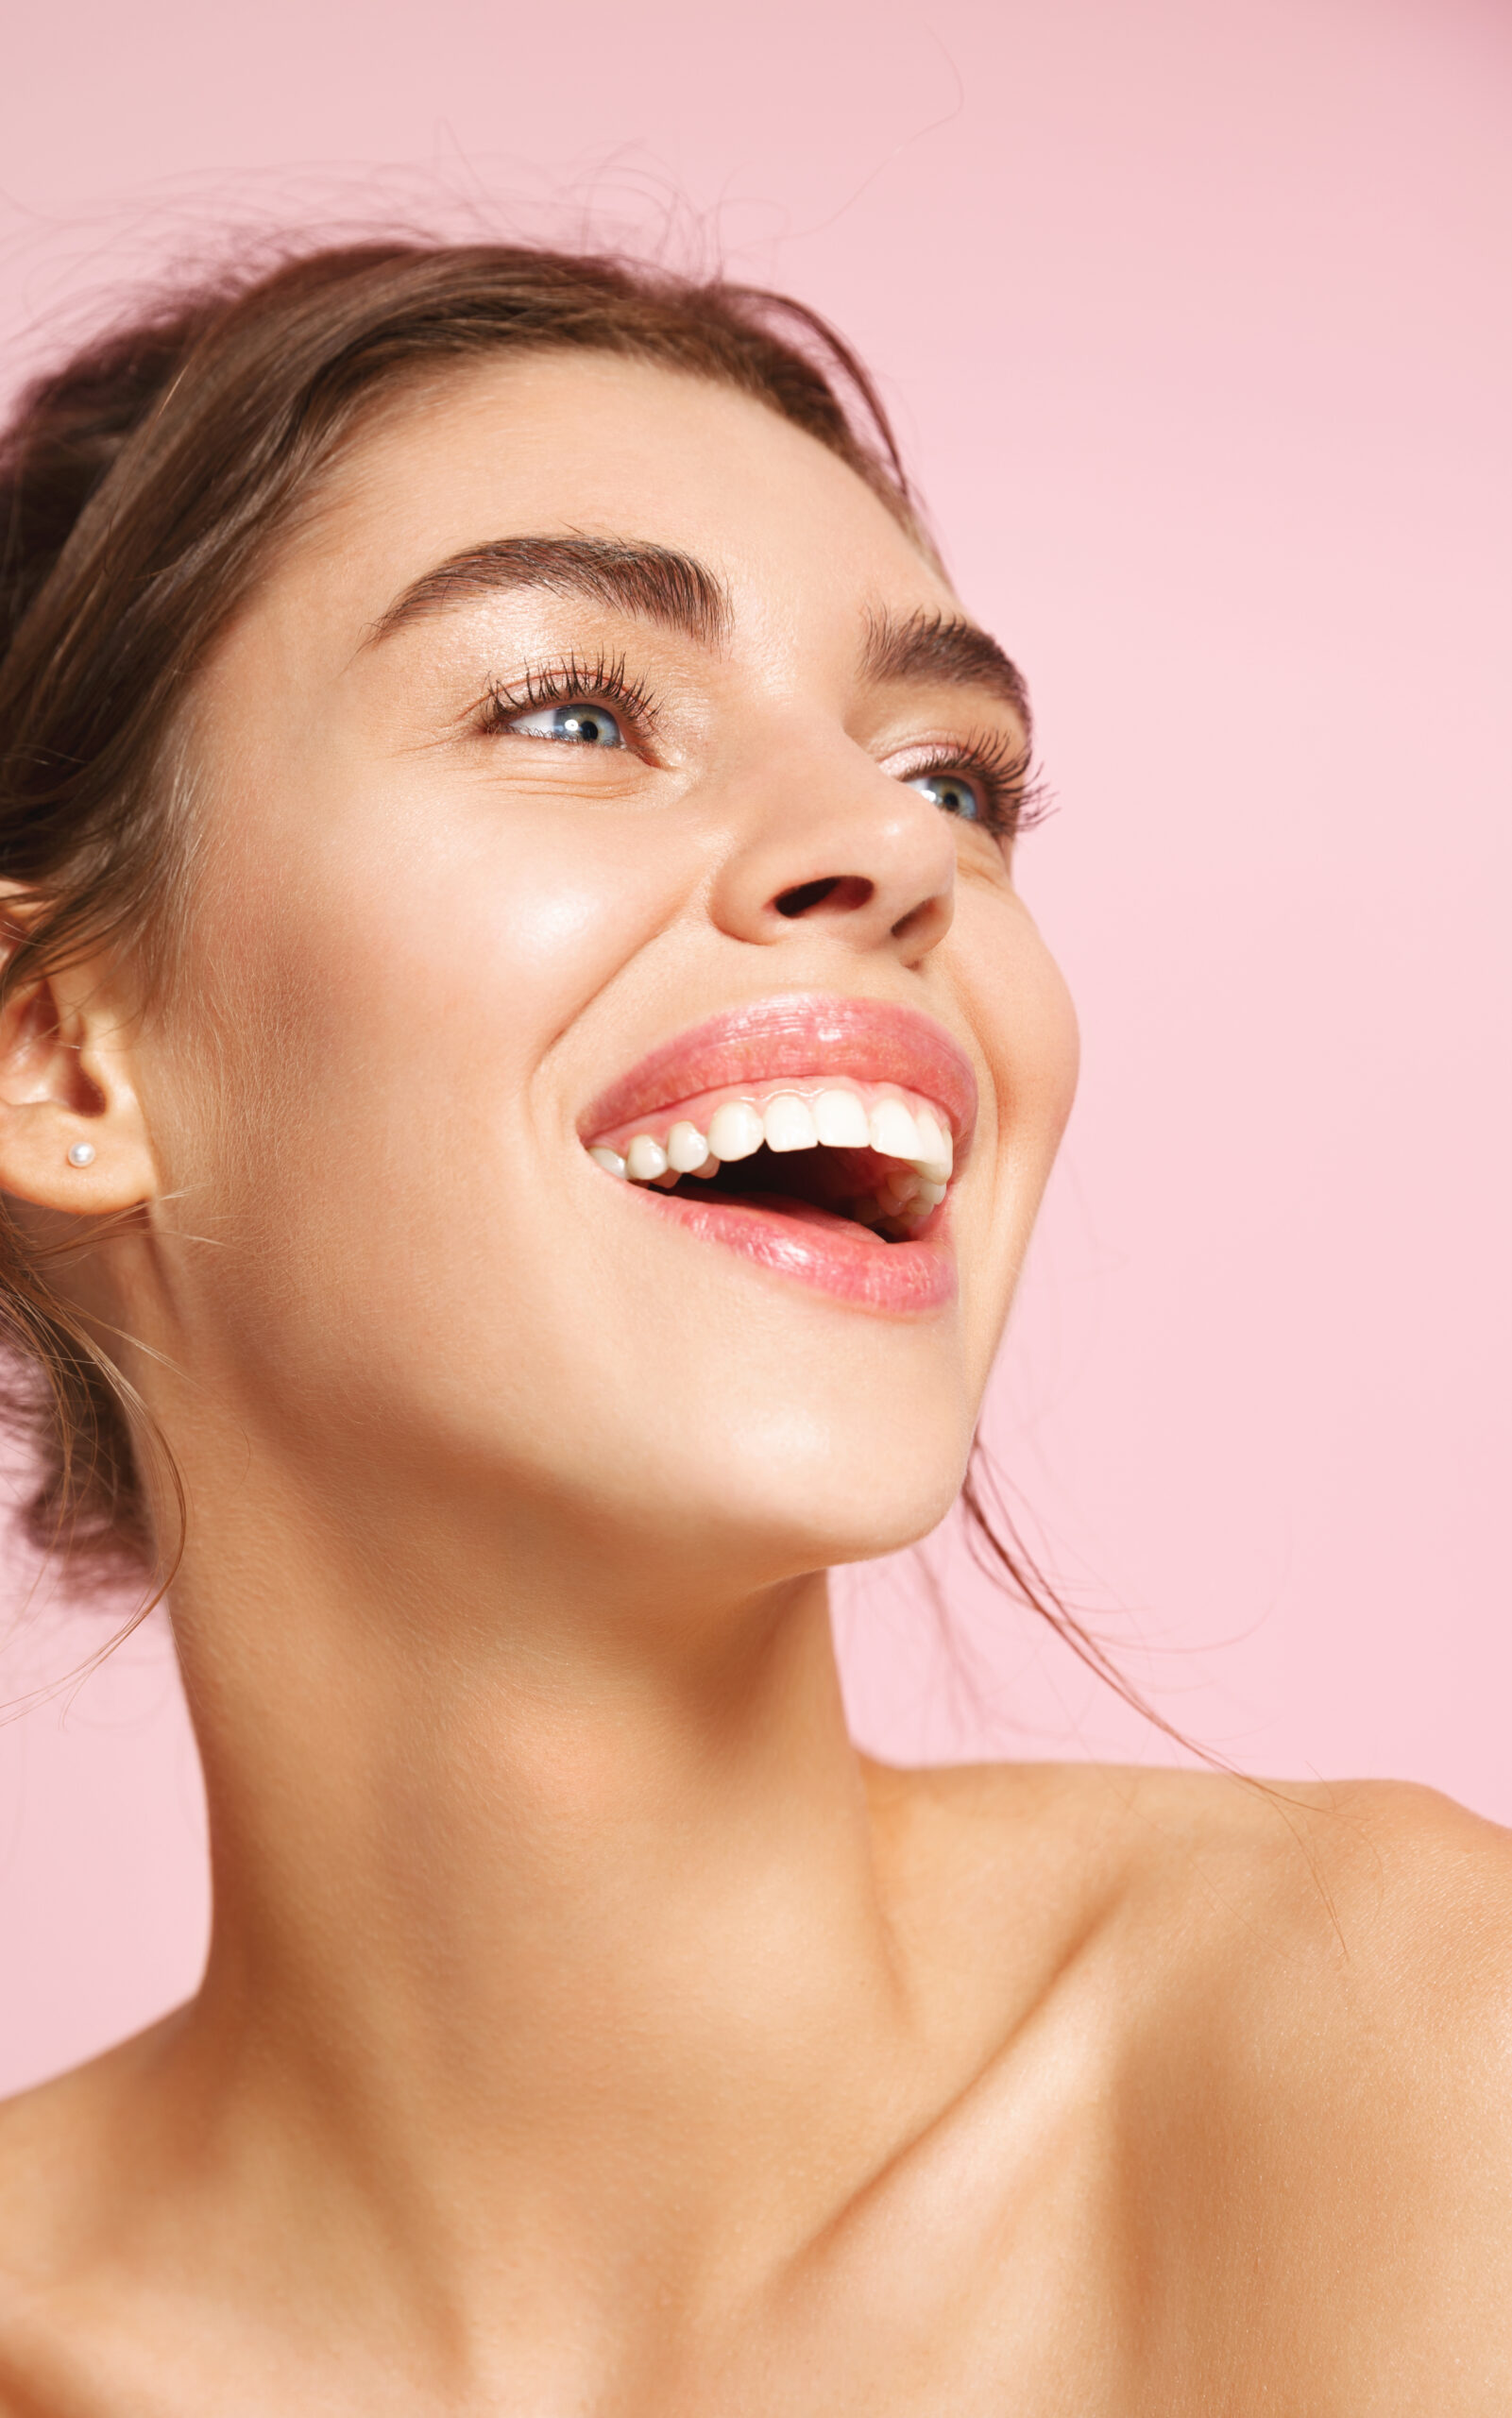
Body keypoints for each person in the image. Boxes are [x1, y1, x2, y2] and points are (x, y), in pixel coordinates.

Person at [0, 237, 1506, 2415]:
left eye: (954, 778)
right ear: (61, 1064)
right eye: (578, 712)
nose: (886, 853)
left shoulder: (1412, 2075)